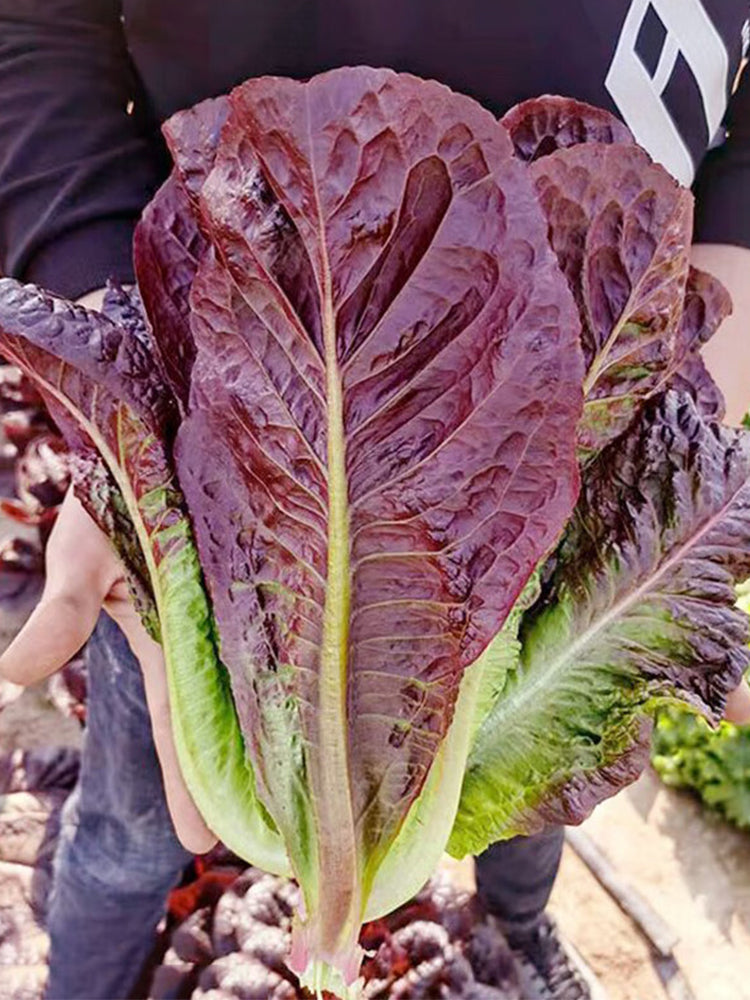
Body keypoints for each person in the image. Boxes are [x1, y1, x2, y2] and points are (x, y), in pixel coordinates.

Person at [1, 3, 750, 999]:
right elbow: (37, 29)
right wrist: (126, 395)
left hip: (549, 516)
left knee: (533, 812)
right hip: (236, 507)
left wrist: (681, 409)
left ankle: (521, 924)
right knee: (132, 823)